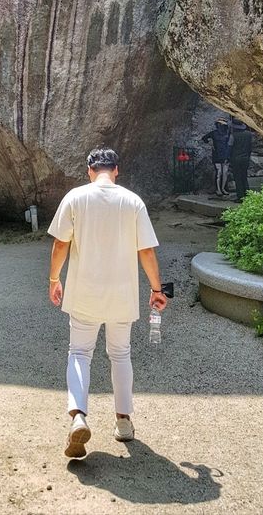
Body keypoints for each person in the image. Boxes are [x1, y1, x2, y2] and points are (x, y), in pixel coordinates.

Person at [47, 147, 168, 460]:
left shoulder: (75, 197)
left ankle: (78, 416)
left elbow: (61, 244)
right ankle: (124, 422)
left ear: (90, 170)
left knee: (79, 353)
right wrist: (157, 289)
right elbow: (147, 252)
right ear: (116, 170)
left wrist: (53, 280)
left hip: (84, 291)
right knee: (120, 354)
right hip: (122, 293)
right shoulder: (132, 201)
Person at [202, 119, 231, 196]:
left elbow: (229, 145)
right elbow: (204, 138)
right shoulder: (213, 133)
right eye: (220, 124)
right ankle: (218, 189)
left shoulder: (227, 133)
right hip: (217, 154)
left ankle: (223, 188)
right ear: (217, 125)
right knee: (219, 172)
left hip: (225, 154)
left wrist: (228, 155)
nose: (221, 126)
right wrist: (210, 143)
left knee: (225, 172)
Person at [229, 119, 253, 201]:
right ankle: (247, 194)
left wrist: (228, 158)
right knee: (244, 176)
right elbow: (250, 147)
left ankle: (240, 196)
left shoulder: (233, 136)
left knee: (238, 178)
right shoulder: (249, 134)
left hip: (236, 159)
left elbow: (230, 147)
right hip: (245, 158)